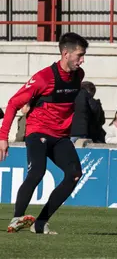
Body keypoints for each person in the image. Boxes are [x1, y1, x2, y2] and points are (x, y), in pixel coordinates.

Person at [0, 32, 88, 234]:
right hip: (38, 130)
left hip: (60, 136)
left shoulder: (79, 76)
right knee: (37, 172)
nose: (82, 60)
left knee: (74, 175)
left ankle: (40, 222)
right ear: (65, 53)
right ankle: (16, 219)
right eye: (79, 55)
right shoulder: (43, 77)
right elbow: (14, 103)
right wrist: (2, 137)